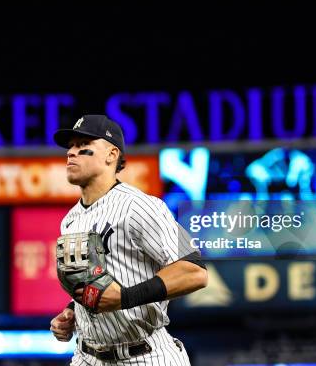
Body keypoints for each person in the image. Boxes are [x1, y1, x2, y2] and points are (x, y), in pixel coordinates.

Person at [49, 114, 208, 365]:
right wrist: (71, 312)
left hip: (144, 354)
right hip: (87, 356)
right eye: (70, 146)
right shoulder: (70, 220)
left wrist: (125, 298)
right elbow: (92, 280)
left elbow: (194, 272)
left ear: (111, 155)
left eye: (83, 146)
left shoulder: (141, 206)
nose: (71, 152)